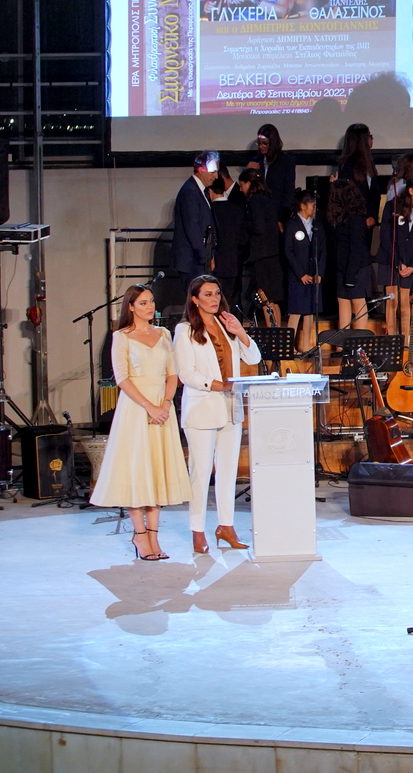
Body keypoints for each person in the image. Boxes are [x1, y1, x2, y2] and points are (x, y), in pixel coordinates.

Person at [90, 284, 191, 562]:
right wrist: (149, 407)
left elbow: (173, 374)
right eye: (143, 303)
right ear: (131, 307)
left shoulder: (164, 334)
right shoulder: (121, 336)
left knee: (157, 469)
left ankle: (154, 536)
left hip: (162, 407)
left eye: (151, 302)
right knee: (137, 470)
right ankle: (139, 534)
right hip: (136, 409)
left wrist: (165, 404)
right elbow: (122, 379)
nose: (150, 307)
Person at [173, 275, 261, 556]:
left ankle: (226, 526)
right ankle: (197, 530)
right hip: (203, 408)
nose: (214, 299)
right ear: (195, 299)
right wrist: (216, 385)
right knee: (200, 474)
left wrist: (241, 332)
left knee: (228, 472)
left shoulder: (226, 325)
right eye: (207, 294)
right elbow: (186, 373)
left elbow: (254, 359)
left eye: (217, 293)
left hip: (230, 408)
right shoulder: (185, 330)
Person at [378, 176, 413, 342]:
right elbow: (386, 237)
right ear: (411, 190)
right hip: (391, 262)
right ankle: (393, 342)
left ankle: (406, 343)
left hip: (409, 265)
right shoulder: (392, 206)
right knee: (392, 304)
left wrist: (412, 266)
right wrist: (398, 262)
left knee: (406, 304)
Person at [326, 179, 374, 332]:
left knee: (358, 301)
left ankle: (359, 342)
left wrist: (351, 276)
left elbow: (356, 248)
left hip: (357, 267)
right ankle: (343, 340)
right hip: (342, 266)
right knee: (343, 301)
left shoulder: (355, 219)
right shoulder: (340, 218)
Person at [283, 189, 327, 351]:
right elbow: (288, 251)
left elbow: (323, 250)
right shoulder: (291, 225)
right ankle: (289, 348)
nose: (315, 208)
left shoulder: (317, 225)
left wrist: (319, 273)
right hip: (297, 277)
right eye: (312, 205)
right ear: (302, 206)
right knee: (296, 312)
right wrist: (301, 274)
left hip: (313, 274)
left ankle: (307, 347)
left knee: (310, 313)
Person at [239, 169, 284, 317]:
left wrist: (244, 222)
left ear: (248, 183)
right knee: (273, 300)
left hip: (262, 256)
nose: (241, 189)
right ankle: (278, 331)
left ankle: (272, 331)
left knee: (265, 299)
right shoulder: (268, 199)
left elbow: (259, 227)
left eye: (242, 185)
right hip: (273, 254)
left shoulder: (255, 201)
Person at [171, 151, 219, 286]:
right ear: (201, 169)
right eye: (213, 172)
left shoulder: (200, 191)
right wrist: (205, 258)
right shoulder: (190, 192)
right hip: (192, 262)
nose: (216, 176)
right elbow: (193, 228)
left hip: (197, 260)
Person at [208, 170, 248, 308]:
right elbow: (244, 239)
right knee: (233, 301)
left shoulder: (210, 211)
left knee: (215, 302)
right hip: (234, 263)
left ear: (210, 191)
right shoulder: (238, 210)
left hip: (215, 265)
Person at [336, 123, 381, 226]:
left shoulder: (369, 162)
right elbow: (349, 196)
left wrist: (372, 215)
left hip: (369, 220)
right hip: (355, 221)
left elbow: (374, 193)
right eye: (369, 136)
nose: (372, 139)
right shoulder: (348, 163)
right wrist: (364, 217)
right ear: (362, 140)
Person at [248, 124, 296, 216]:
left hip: (277, 212)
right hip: (258, 212)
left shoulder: (286, 161)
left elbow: (289, 191)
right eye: (259, 143)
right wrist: (247, 170)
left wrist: (282, 216)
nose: (261, 146)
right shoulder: (256, 160)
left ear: (273, 142)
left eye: (265, 143)